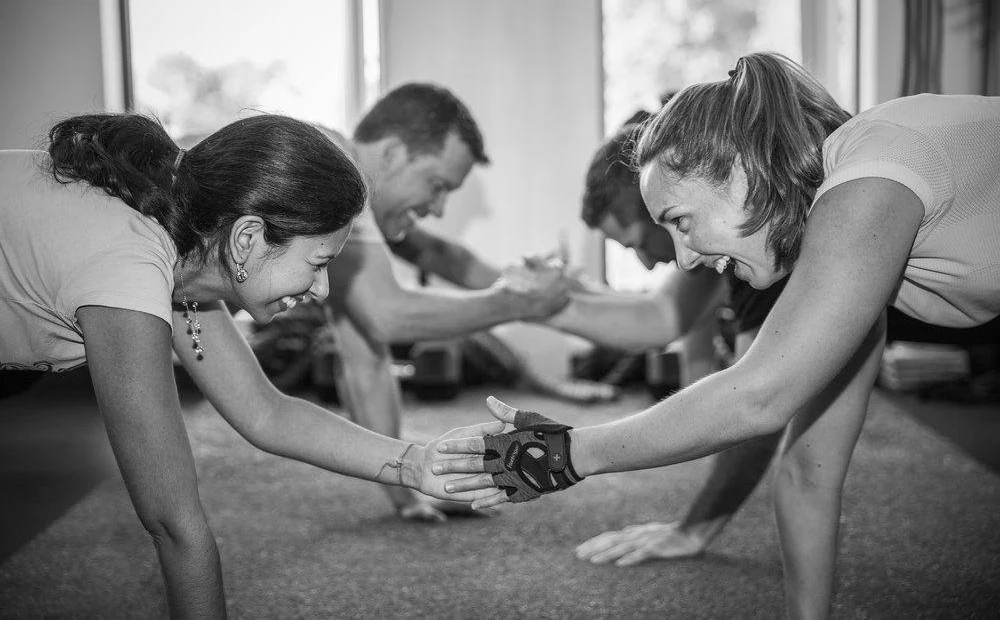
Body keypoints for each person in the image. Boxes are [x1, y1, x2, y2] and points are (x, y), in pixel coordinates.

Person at [435, 53, 1000, 617]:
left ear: (741, 169)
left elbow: (758, 396)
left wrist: (568, 454)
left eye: (680, 221)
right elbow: (808, 472)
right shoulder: (842, 243)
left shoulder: (872, 179)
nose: (682, 259)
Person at [0, 113, 498, 617]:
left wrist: (414, 463)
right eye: (319, 263)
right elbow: (174, 524)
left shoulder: (187, 246)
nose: (322, 290)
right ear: (247, 239)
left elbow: (265, 413)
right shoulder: (128, 270)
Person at [313, 83, 609, 522]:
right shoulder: (331, 163)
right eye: (436, 186)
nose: (437, 208)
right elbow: (387, 316)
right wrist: (518, 303)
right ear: (392, 153)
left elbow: (366, 361)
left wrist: (408, 494)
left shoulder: (334, 204)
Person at [552, 111, 786, 565]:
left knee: (806, 461)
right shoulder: (713, 223)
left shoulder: (757, 236)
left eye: (638, 242)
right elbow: (661, 320)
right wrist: (541, 306)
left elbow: (755, 405)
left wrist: (693, 530)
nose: (645, 264)